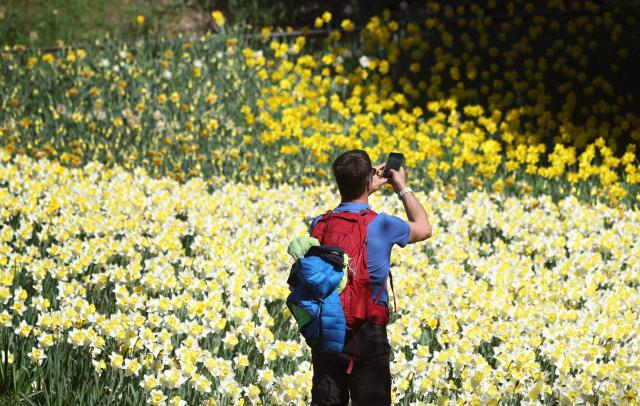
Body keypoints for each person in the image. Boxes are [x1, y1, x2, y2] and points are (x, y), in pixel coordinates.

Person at [307, 149, 432, 405]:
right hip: (368, 333)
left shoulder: (319, 223)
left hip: (327, 329)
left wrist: (362, 189)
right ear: (368, 179)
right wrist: (401, 187)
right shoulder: (383, 224)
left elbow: (349, 210)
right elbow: (423, 227)